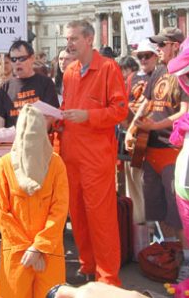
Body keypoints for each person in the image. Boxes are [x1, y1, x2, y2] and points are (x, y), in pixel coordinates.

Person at [60, 20, 128, 285]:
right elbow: (67, 107)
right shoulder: (70, 72)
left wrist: (87, 115)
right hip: (71, 155)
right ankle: (87, 265)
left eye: (74, 38)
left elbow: (120, 111)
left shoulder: (109, 68)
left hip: (96, 158)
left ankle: (108, 277)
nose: (69, 44)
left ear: (89, 39)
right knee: (77, 215)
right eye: (67, 39)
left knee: (101, 219)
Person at [129, 31, 189, 279]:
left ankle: (186, 258)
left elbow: (185, 112)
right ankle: (168, 250)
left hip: (172, 150)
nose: (157, 50)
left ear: (175, 46)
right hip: (149, 149)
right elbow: (145, 103)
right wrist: (133, 126)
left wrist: (156, 126)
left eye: (160, 45)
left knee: (178, 212)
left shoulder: (185, 72)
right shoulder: (157, 72)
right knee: (156, 208)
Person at [0, 104, 69, 298]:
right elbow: (0, 214)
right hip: (17, 251)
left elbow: (60, 211)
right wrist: (30, 248)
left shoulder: (56, 164)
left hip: (48, 251)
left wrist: (39, 247)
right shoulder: (4, 165)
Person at [122, 40, 159, 226]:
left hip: (154, 134)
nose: (143, 59)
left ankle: (154, 225)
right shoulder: (132, 78)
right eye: (140, 56)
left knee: (151, 184)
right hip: (134, 136)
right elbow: (126, 102)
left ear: (156, 56)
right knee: (134, 182)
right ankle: (138, 224)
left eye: (147, 55)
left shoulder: (161, 76)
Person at [0, 40, 59, 128]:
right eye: (13, 59)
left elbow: (50, 117)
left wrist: (34, 134)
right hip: (13, 140)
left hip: (37, 139)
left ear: (32, 58)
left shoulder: (46, 83)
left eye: (22, 58)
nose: (17, 62)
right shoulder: (5, 88)